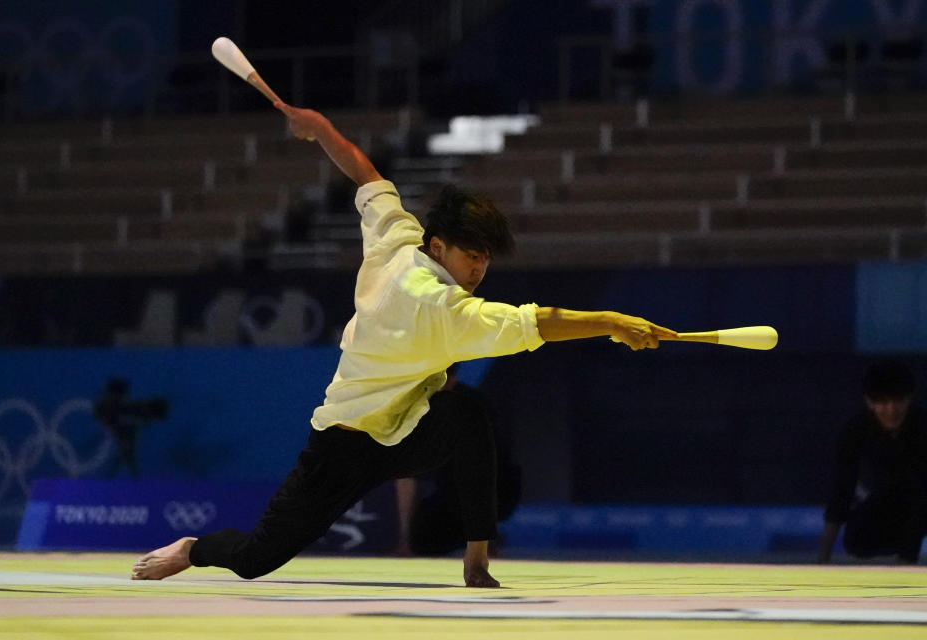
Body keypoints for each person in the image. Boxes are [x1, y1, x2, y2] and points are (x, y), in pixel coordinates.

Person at [131, 101, 677, 588]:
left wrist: (320, 127)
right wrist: (609, 319)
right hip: (344, 444)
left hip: (407, 428)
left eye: (487, 258)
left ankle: (477, 560)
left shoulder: (400, 236)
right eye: (472, 256)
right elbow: (533, 323)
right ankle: (192, 548)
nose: (479, 269)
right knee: (255, 559)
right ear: (439, 247)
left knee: (468, 414)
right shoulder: (438, 304)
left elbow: (364, 172)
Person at [393, 364, 522, 557]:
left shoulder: (474, 405)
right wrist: (405, 540)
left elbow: (489, 465)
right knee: (425, 539)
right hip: (449, 491)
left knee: (475, 474)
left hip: (497, 486)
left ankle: (483, 540)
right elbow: (407, 475)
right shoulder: (417, 407)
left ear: (452, 380)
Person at [817, 360, 927, 564]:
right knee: (859, 538)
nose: (891, 409)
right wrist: (822, 557)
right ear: (869, 402)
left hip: (921, 502)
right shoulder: (856, 431)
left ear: (909, 399)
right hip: (884, 506)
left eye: (898, 400)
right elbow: (842, 490)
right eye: (882, 402)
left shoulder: (923, 426)